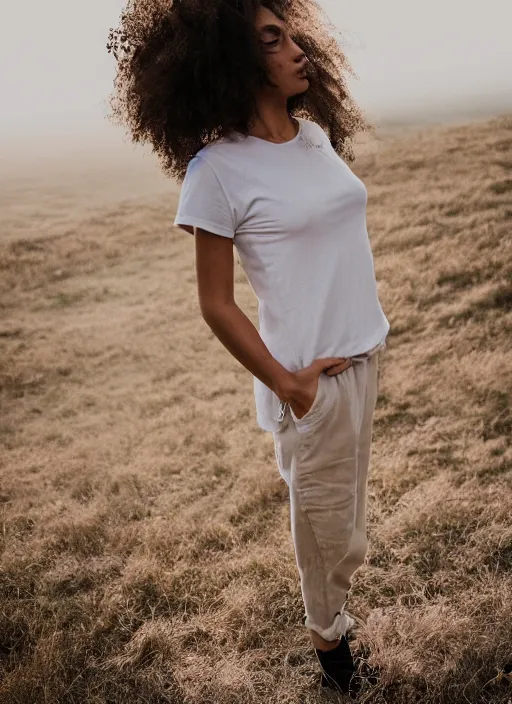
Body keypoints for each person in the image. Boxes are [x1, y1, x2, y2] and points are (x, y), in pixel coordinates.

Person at [107, 0, 390, 695]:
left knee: (347, 524)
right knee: (330, 538)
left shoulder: (314, 137)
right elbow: (214, 302)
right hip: (307, 383)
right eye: (274, 40)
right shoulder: (217, 170)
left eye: (293, 33)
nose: (298, 49)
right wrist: (292, 386)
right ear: (231, 61)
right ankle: (331, 647)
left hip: (363, 356)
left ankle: (334, 623)